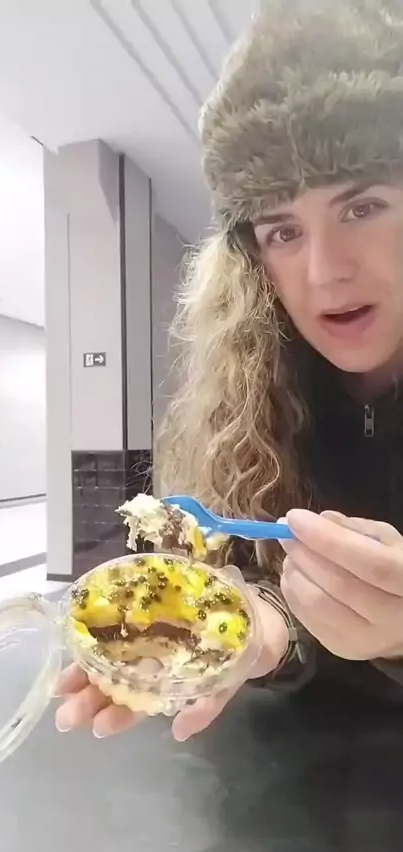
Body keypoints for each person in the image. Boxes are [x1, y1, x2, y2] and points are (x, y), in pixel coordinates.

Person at [55, 0, 403, 740]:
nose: (324, 271)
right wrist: (266, 626)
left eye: (363, 207)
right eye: (283, 230)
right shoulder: (250, 402)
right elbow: (273, 603)